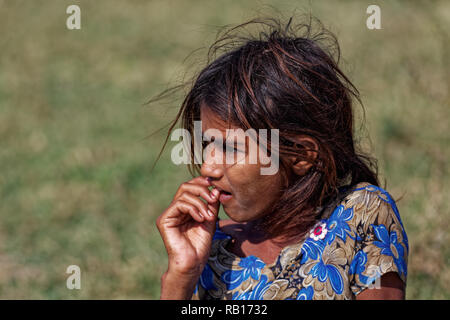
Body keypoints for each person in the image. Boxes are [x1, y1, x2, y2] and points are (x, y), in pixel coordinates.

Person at [155, 16, 409, 300]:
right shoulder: (215, 244)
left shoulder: (359, 217)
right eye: (207, 144)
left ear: (301, 155)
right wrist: (181, 275)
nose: (207, 167)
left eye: (232, 149)